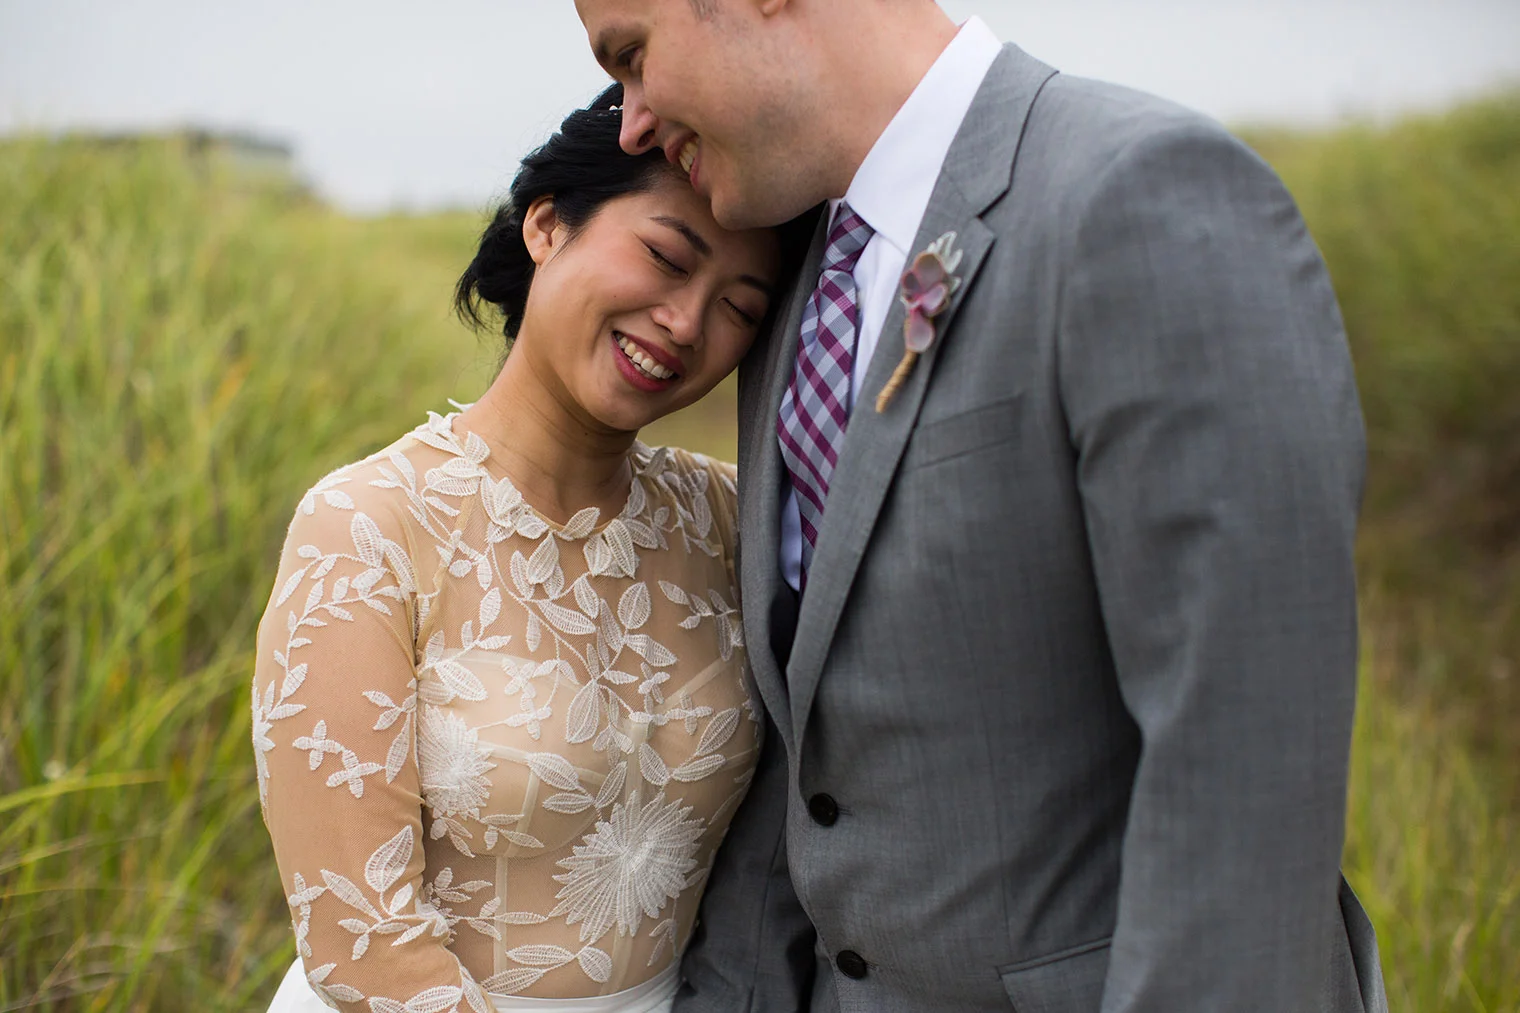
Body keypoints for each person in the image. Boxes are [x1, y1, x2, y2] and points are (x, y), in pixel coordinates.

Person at [574, 1, 1390, 1011]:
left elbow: (1246, 785)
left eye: (631, 55)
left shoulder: (1141, 195)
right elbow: (810, 757)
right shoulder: (797, 271)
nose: (631, 122)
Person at [252, 87, 806, 1013]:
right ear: (547, 225)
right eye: (666, 258)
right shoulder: (367, 528)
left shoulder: (729, 520)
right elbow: (363, 947)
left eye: (739, 309)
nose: (685, 322)